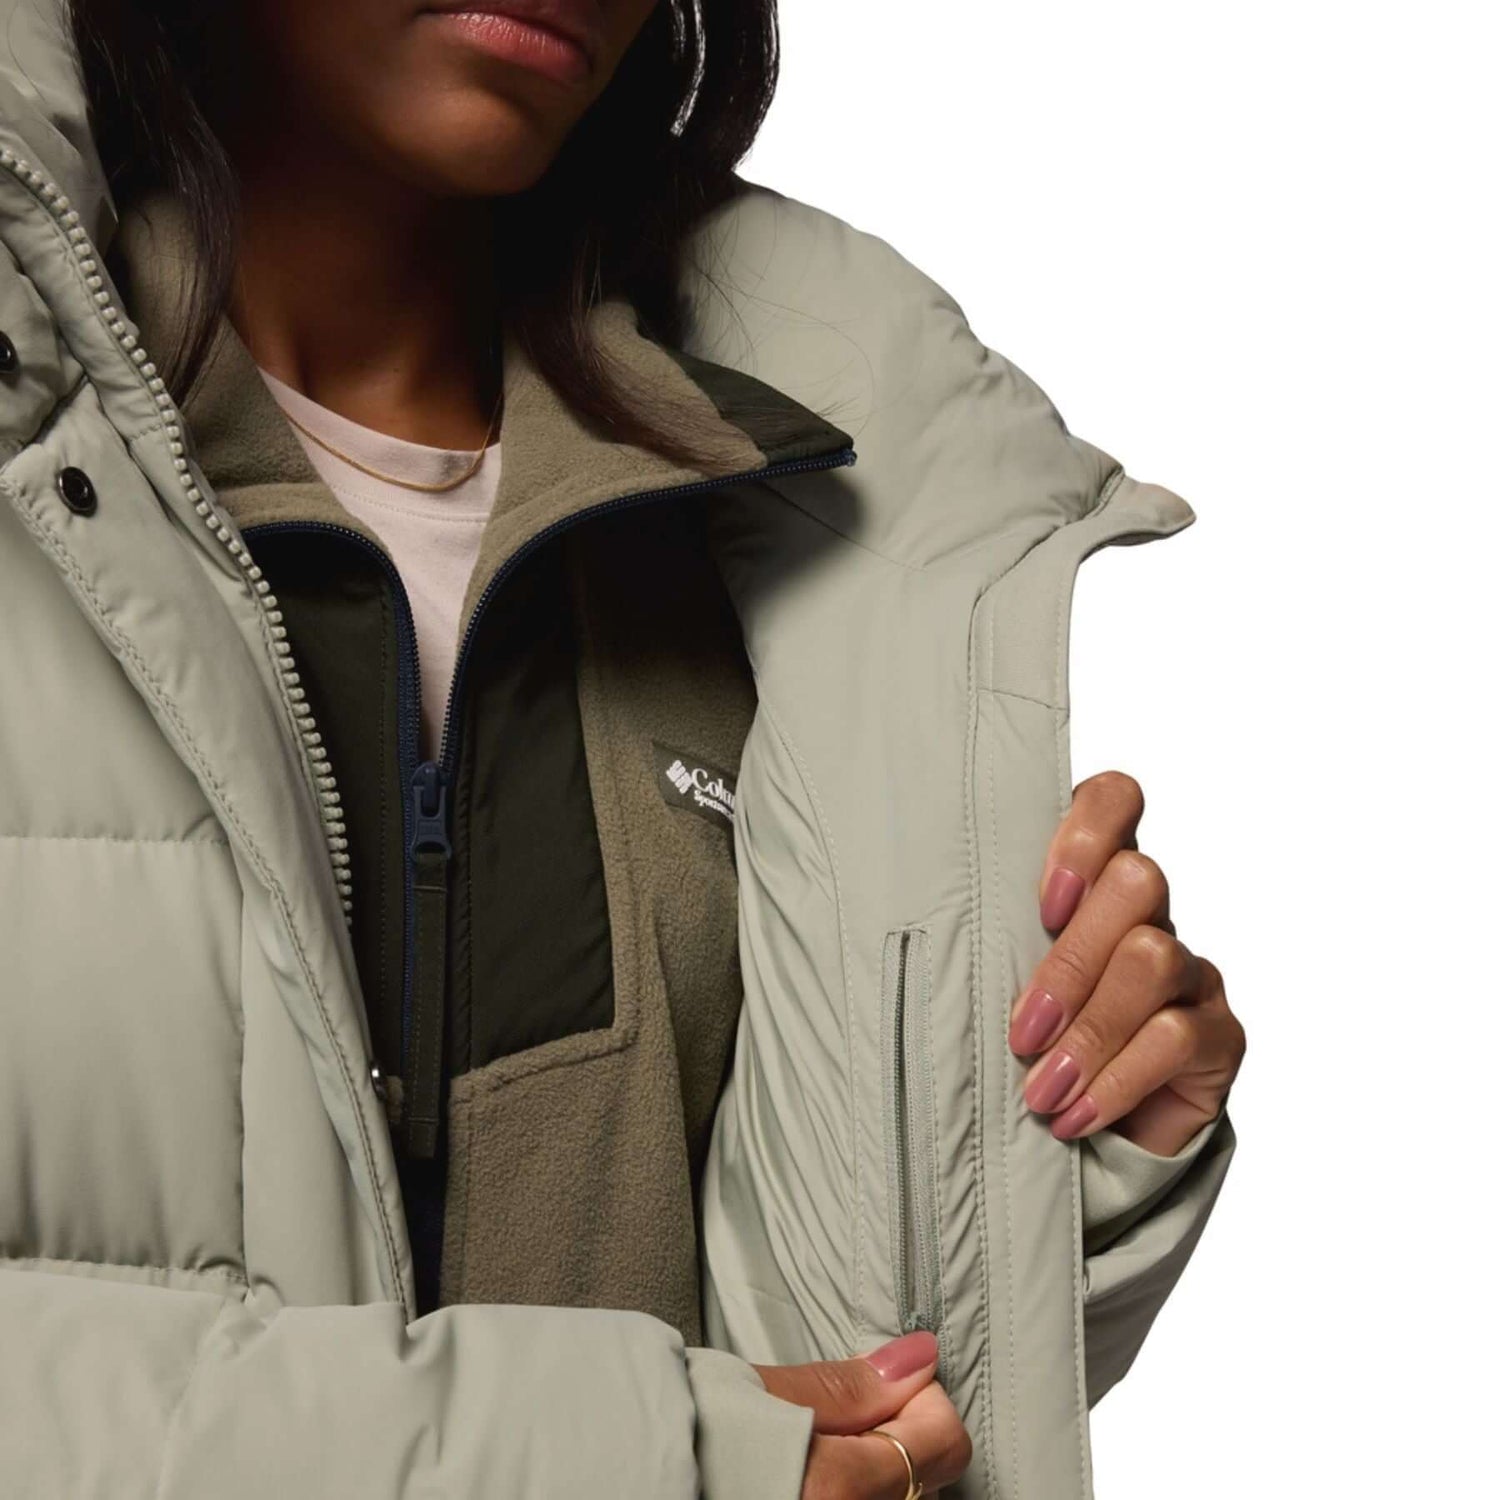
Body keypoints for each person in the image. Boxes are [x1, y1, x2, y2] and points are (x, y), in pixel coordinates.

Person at [0, 1, 1244, 1495]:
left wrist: (1066, 1154)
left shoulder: (777, 517)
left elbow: (845, 1390)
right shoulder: (47, 475)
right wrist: (619, 1457)